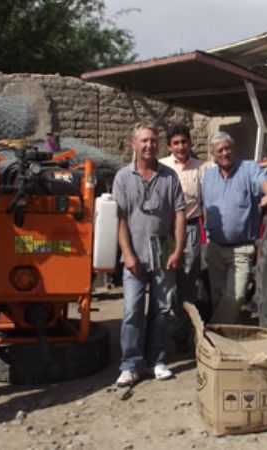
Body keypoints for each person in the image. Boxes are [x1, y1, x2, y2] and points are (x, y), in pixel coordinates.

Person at [113, 121, 186, 386]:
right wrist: (127, 253)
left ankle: (156, 359)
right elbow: (120, 218)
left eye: (153, 141)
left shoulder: (169, 176)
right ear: (134, 144)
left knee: (161, 309)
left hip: (163, 250)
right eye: (144, 140)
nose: (149, 145)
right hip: (134, 252)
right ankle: (130, 364)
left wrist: (177, 249)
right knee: (132, 308)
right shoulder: (123, 177)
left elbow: (179, 214)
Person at [201, 131, 267, 324]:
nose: (225, 153)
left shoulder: (248, 168)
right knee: (218, 296)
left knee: (235, 297)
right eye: (220, 150)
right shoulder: (208, 176)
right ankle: (225, 338)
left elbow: (265, 182)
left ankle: (212, 332)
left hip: (242, 248)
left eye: (228, 148)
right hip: (215, 247)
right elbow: (206, 207)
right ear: (213, 155)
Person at [159, 124, 210, 353]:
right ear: (169, 146)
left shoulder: (202, 168)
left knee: (187, 284)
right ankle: (157, 335)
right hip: (164, 231)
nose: (181, 147)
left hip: (190, 229)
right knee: (162, 281)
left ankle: (182, 334)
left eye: (184, 142)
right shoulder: (161, 166)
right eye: (176, 143)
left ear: (190, 143)